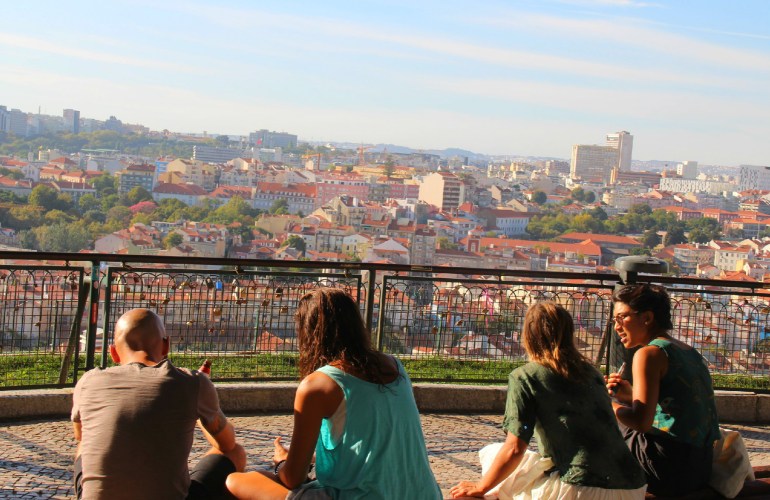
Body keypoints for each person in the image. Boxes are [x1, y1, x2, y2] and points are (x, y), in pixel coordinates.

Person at [226, 288, 442, 500]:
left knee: (236, 481)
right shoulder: (395, 366)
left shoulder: (318, 385)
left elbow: (292, 478)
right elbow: (371, 446)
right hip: (424, 494)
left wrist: (283, 462)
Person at [451, 302, 646, 499]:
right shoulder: (592, 373)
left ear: (529, 335)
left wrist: (480, 487)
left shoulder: (526, 376)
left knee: (493, 454)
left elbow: (515, 448)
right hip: (634, 486)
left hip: (581, 488)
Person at [71, 308, 246, 499]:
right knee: (235, 453)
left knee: (83, 444)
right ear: (166, 346)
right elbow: (227, 444)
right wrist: (201, 409)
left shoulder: (88, 381)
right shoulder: (191, 382)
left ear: (113, 352)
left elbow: (81, 435)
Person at [606, 284, 720, 496]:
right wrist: (630, 396)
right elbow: (675, 409)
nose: (616, 327)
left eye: (621, 318)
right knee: (620, 408)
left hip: (666, 468)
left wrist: (605, 402)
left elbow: (641, 422)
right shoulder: (688, 351)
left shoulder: (649, 354)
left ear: (647, 318)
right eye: (614, 320)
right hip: (699, 466)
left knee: (605, 417)